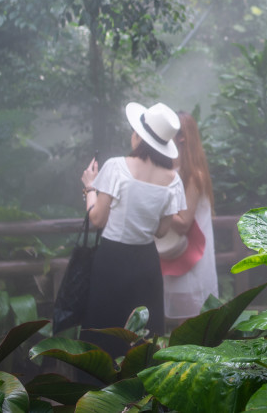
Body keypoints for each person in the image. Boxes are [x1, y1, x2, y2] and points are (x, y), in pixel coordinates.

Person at [79, 101, 187, 352]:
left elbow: (97, 219)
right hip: (146, 263)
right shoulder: (173, 181)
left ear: (140, 137)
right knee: (143, 338)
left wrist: (90, 187)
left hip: (112, 260)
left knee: (104, 331)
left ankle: (100, 389)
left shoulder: (116, 167)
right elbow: (161, 231)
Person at [159, 111, 219, 327]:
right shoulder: (172, 171)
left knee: (190, 326)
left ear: (181, 136)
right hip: (174, 255)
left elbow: (183, 222)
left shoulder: (193, 175)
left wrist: (157, 205)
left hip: (192, 261)